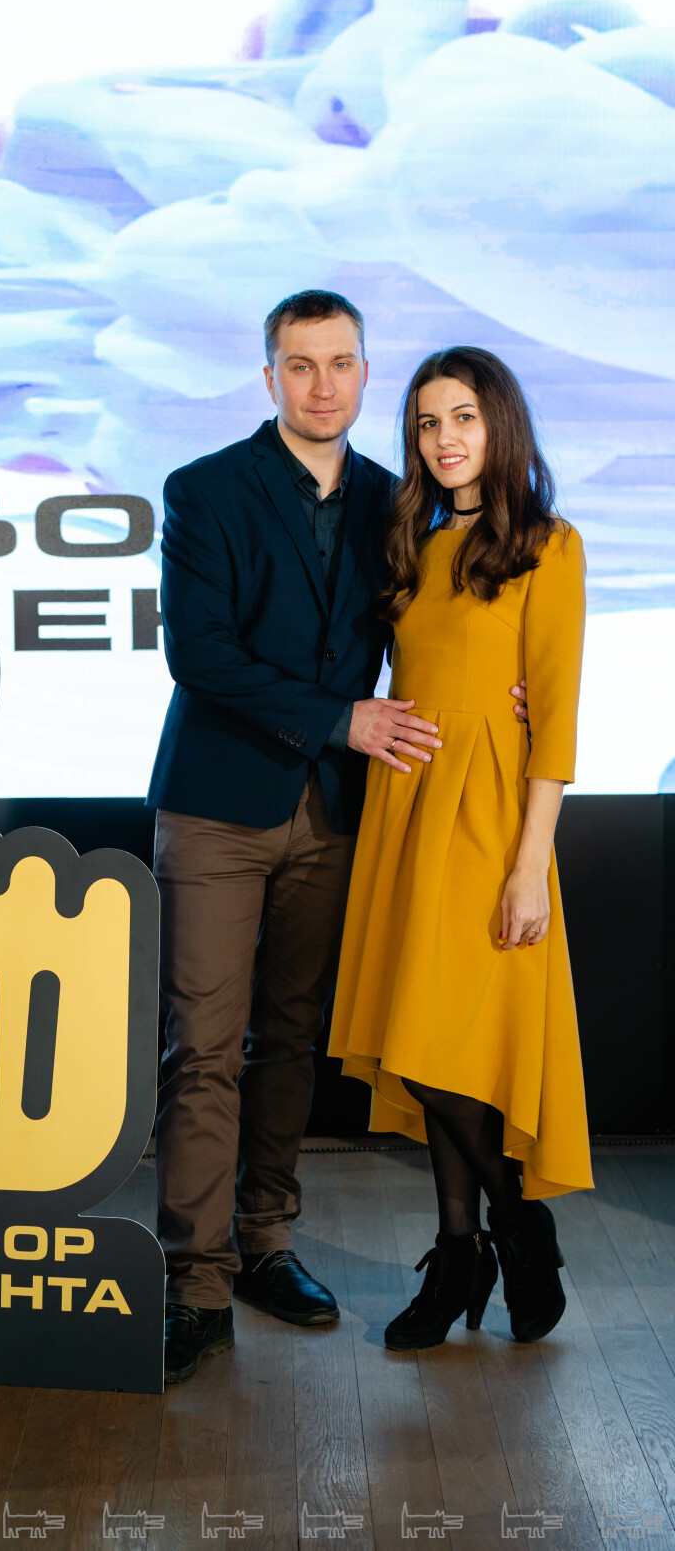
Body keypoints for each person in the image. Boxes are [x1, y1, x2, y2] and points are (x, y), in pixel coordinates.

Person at [146, 294, 527, 1383]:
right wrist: (339, 720)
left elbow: (449, 619)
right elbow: (200, 656)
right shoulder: (204, 489)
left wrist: (503, 686)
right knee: (203, 1047)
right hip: (218, 805)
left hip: (339, 814)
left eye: (342, 363)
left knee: (291, 1040)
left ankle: (267, 1244)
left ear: (365, 374)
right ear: (269, 377)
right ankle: (196, 1283)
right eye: (301, 365)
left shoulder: (394, 501)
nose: (323, 385)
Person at [328, 345, 593, 1351]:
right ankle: (463, 1249)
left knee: (451, 1048)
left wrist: (529, 867)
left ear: (501, 424)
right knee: (425, 1046)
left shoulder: (548, 547)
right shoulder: (415, 543)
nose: (444, 439)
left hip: (489, 820)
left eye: (464, 418)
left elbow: (555, 719)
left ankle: (510, 1231)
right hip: (408, 808)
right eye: (428, 423)